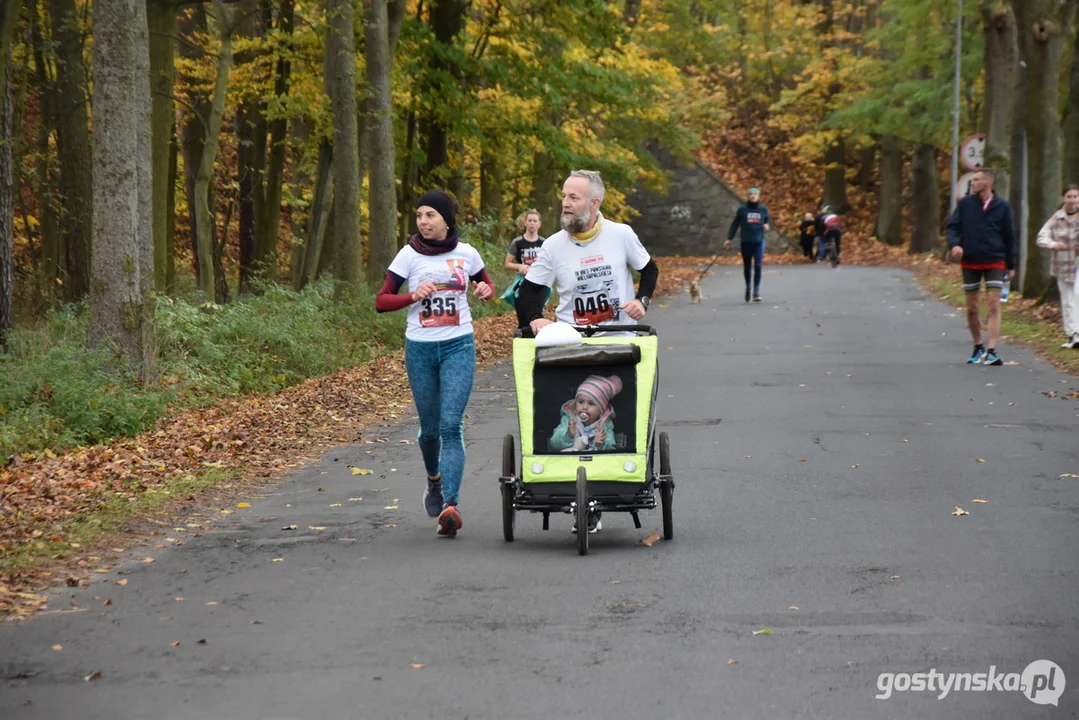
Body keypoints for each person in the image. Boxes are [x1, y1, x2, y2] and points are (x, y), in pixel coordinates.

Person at [516, 169, 659, 534]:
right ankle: (575, 489)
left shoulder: (620, 235)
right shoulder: (553, 245)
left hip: (618, 339)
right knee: (571, 414)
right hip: (570, 342)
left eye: (574, 197)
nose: (565, 203)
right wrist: (534, 320)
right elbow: (528, 294)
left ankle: (612, 481)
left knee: (617, 416)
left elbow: (649, 269)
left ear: (594, 203)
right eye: (564, 196)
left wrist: (641, 300)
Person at [375, 190, 494, 537]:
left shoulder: (467, 253)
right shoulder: (408, 255)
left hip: (459, 345)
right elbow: (381, 301)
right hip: (421, 350)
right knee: (429, 432)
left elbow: (486, 285)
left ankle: (450, 506)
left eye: (430, 215)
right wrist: (413, 295)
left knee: (450, 425)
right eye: (419, 216)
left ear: (446, 219)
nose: (423, 222)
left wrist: (485, 291)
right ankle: (434, 482)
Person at [945, 168, 1017, 366]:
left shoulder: (1002, 206)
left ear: (987, 182)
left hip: (995, 260)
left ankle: (992, 350)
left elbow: (1009, 236)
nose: (972, 183)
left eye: (976, 180)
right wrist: (955, 245)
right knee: (972, 307)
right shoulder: (966, 204)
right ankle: (978, 346)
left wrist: (1011, 265)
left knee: (994, 304)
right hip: (970, 260)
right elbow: (952, 227)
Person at [1035, 184, 1079, 348]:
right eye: (1069, 197)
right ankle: (1072, 335)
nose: (1073, 200)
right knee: (1068, 300)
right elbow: (1041, 237)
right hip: (1063, 265)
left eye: (1075, 196)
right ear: (1063, 198)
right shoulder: (1057, 218)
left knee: (1077, 296)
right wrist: (1053, 244)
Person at [549, 374, 622, 454]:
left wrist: (599, 444)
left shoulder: (606, 425)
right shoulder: (569, 420)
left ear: (601, 409)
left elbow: (611, 449)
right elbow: (553, 445)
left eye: (591, 404)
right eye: (580, 402)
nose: (584, 407)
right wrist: (569, 435)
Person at [724, 187, 771, 302]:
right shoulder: (742, 210)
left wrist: (766, 225)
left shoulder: (763, 209)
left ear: (758, 196)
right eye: (751, 194)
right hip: (746, 241)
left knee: (758, 265)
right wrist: (729, 238)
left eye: (755, 194)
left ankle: (756, 291)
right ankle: (748, 288)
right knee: (747, 266)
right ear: (748, 196)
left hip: (758, 241)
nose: (753, 195)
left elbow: (767, 220)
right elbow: (735, 224)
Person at [499, 209, 546, 308]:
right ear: (525, 223)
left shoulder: (544, 243)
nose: (532, 223)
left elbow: (549, 263)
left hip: (539, 281)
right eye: (529, 220)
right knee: (523, 310)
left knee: (536, 312)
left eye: (535, 221)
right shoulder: (517, 242)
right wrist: (519, 266)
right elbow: (507, 264)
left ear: (540, 224)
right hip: (522, 282)